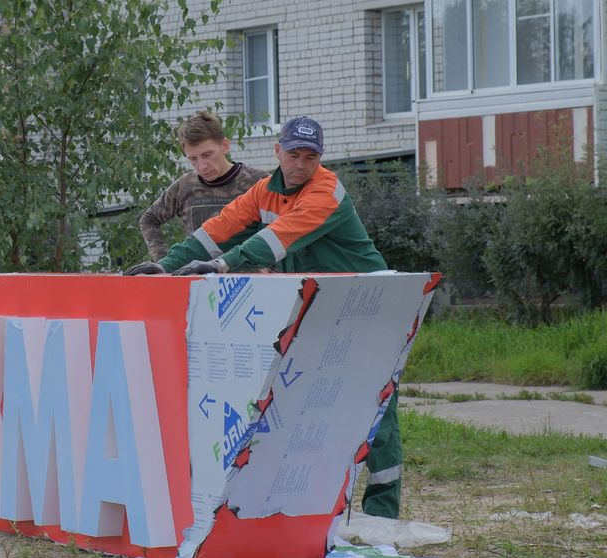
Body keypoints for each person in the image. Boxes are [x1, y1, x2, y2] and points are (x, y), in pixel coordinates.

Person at [125, 116, 405, 519]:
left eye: (310, 156)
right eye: (293, 154)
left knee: (378, 406)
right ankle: (305, 509)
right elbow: (217, 230)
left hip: (371, 307)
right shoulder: (263, 192)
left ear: (320, 158)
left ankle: (382, 516)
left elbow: (275, 240)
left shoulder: (326, 191)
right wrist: (166, 266)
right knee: (306, 405)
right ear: (278, 152)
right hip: (323, 308)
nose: (301, 164)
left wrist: (221, 266)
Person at [137, 111, 269, 261]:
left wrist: (270, 266)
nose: (202, 166)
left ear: (224, 146)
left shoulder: (259, 182)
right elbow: (149, 219)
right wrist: (164, 263)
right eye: (193, 159)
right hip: (197, 274)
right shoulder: (185, 186)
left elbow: (284, 227)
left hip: (249, 274)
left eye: (207, 155)